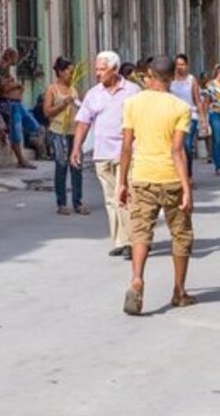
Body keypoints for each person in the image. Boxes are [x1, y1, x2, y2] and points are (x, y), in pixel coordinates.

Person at [117, 55, 195, 316]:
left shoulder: (132, 103)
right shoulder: (180, 108)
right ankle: (179, 291)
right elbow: (177, 151)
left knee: (140, 232)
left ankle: (137, 279)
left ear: (150, 75)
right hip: (171, 177)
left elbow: (126, 146)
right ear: (173, 76)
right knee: (181, 236)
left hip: (141, 177)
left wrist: (121, 183)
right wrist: (186, 189)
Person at [71, 51, 141, 258]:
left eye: (102, 69)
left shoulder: (133, 91)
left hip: (127, 153)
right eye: (97, 69)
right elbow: (83, 122)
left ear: (115, 69)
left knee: (125, 194)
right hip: (102, 154)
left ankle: (130, 241)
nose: (98, 73)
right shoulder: (94, 94)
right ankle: (119, 240)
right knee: (111, 199)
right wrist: (77, 148)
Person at [44, 57, 87, 215]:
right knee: (61, 166)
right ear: (61, 73)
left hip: (74, 131)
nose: (71, 74)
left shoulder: (74, 88)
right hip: (58, 131)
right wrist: (64, 103)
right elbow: (47, 112)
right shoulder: (52, 89)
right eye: (69, 72)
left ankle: (78, 202)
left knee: (77, 166)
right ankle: (61, 203)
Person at [0, 47, 42, 169]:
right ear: (10, 57)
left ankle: (27, 153)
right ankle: (21, 159)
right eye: (16, 57)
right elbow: (3, 87)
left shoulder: (7, 70)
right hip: (8, 103)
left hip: (16, 103)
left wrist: (15, 86)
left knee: (34, 126)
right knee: (16, 130)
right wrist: (16, 85)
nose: (17, 60)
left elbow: (12, 86)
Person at [170, 55, 206, 179]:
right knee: (175, 147)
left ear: (187, 65)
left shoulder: (191, 80)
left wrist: (203, 120)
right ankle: (177, 175)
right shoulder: (170, 80)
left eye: (182, 64)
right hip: (173, 116)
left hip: (190, 115)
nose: (179, 67)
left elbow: (197, 99)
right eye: (177, 65)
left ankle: (188, 175)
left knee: (187, 145)